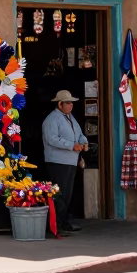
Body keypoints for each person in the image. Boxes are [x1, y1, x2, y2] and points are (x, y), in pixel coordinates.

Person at [41, 89, 88, 236]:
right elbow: (51, 139)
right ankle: (57, 225)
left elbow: (79, 134)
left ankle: (64, 222)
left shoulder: (70, 118)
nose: (71, 105)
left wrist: (83, 142)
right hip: (57, 162)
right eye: (68, 103)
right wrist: (71, 145)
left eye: (71, 103)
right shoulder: (52, 119)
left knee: (67, 193)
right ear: (60, 104)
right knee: (59, 193)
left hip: (70, 161)